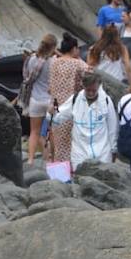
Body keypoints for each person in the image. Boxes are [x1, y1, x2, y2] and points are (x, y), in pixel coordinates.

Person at [50, 71, 117, 171]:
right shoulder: (75, 99)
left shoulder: (106, 101)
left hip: (103, 152)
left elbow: (113, 127)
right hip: (79, 152)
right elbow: (57, 119)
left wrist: (113, 149)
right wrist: (51, 112)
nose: (90, 93)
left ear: (98, 87)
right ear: (83, 87)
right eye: (88, 90)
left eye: (94, 90)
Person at [47, 34, 88, 164]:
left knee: (58, 142)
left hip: (54, 107)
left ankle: (58, 169)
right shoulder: (78, 64)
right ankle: (69, 171)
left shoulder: (54, 62)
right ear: (74, 49)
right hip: (71, 108)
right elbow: (90, 75)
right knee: (71, 143)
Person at [22, 33, 57, 165]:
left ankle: (30, 159)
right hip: (49, 101)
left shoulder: (32, 60)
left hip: (35, 99)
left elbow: (26, 78)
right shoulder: (53, 62)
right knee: (50, 133)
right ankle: (51, 159)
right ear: (53, 47)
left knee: (34, 132)